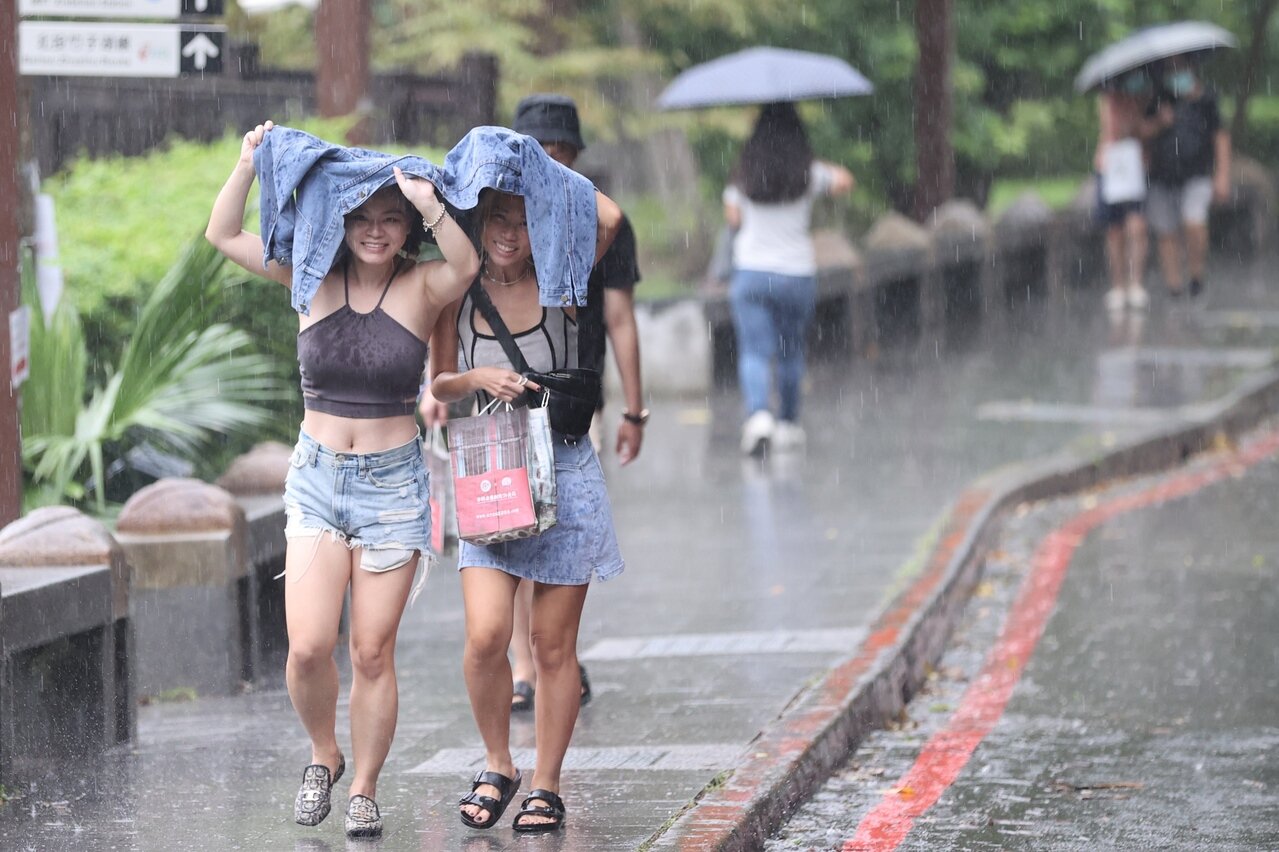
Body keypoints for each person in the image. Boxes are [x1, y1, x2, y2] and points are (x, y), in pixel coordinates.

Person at [205, 121, 480, 838]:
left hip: (393, 484)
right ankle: (323, 752)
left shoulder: (423, 286)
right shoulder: (308, 277)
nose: (377, 232)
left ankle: (363, 786)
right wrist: (245, 164)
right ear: (340, 221)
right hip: (318, 480)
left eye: (391, 221)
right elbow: (224, 233)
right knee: (305, 646)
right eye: (362, 218)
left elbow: (467, 264)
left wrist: (429, 205)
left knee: (370, 651)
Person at [428, 186, 624, 833]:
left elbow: (611, 218)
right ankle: (497, 761)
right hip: (491, 470)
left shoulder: (563, 285)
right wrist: (478, 379)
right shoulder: (456, 290)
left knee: (549, 645)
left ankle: (546, 781)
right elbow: (438, 384)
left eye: (521, 222)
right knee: (486, 636)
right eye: (496, 221)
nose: (509, 234)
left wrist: (535, 170)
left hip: (562, 470)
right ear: (478, 226)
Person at [505, 92, 647, 714]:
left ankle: (555, 652)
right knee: (506, 527)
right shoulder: (496, 222)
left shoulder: (596, 221)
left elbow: (620, 319)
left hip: (572, 399)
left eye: (561, 154)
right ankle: (521, 663)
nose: (551, 164)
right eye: (538, 153)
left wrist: (634, 410)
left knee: (561, 533)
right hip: (502, 398)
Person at [723, 101, 854, 456]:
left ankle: (759, 416)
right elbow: (845, 181)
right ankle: (789, 424)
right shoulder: (809, 174)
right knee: (790, 351)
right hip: (796, 274)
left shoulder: (743, 174)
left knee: (753, 350)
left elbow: (733, 219)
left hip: (751, 272)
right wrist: (811, 164)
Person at [1144, 55, 1232, 298]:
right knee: (1167, 231)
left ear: (1190, 66)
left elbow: (1220, 136)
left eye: (1179, 66)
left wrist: (1222, 174)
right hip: (1162, 176)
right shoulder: (1159, 96)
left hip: (1197, 173)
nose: (1175, 71)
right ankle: (1174, 286)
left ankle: (1196, 275)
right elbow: (1141, 130)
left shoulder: (1207, 98)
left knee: (1194, 222)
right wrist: (1160, 122)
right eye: (1170, 67)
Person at [1094, 69, 1153, 313]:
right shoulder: (1107, 99)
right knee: (1114, 229)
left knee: (1136, 225)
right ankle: (1118, 285)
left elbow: (1143, 131)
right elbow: (1114, 129)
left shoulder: (1144, 97)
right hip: (1110, 166)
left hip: (1134, 166)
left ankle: (1135, 283)